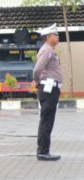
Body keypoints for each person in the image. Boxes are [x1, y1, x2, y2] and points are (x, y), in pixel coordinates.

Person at [32, 23, 62, 161]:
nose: (57, 36)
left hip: (50, 88)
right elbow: (37, 69)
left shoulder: (48, 50)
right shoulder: (47, 50)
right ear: (48, 37)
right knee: (47, 120)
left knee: (47, 119)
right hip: (48, 88)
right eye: (55, 34)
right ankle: (43, 152)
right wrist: (36, 81)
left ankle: (43, 150)